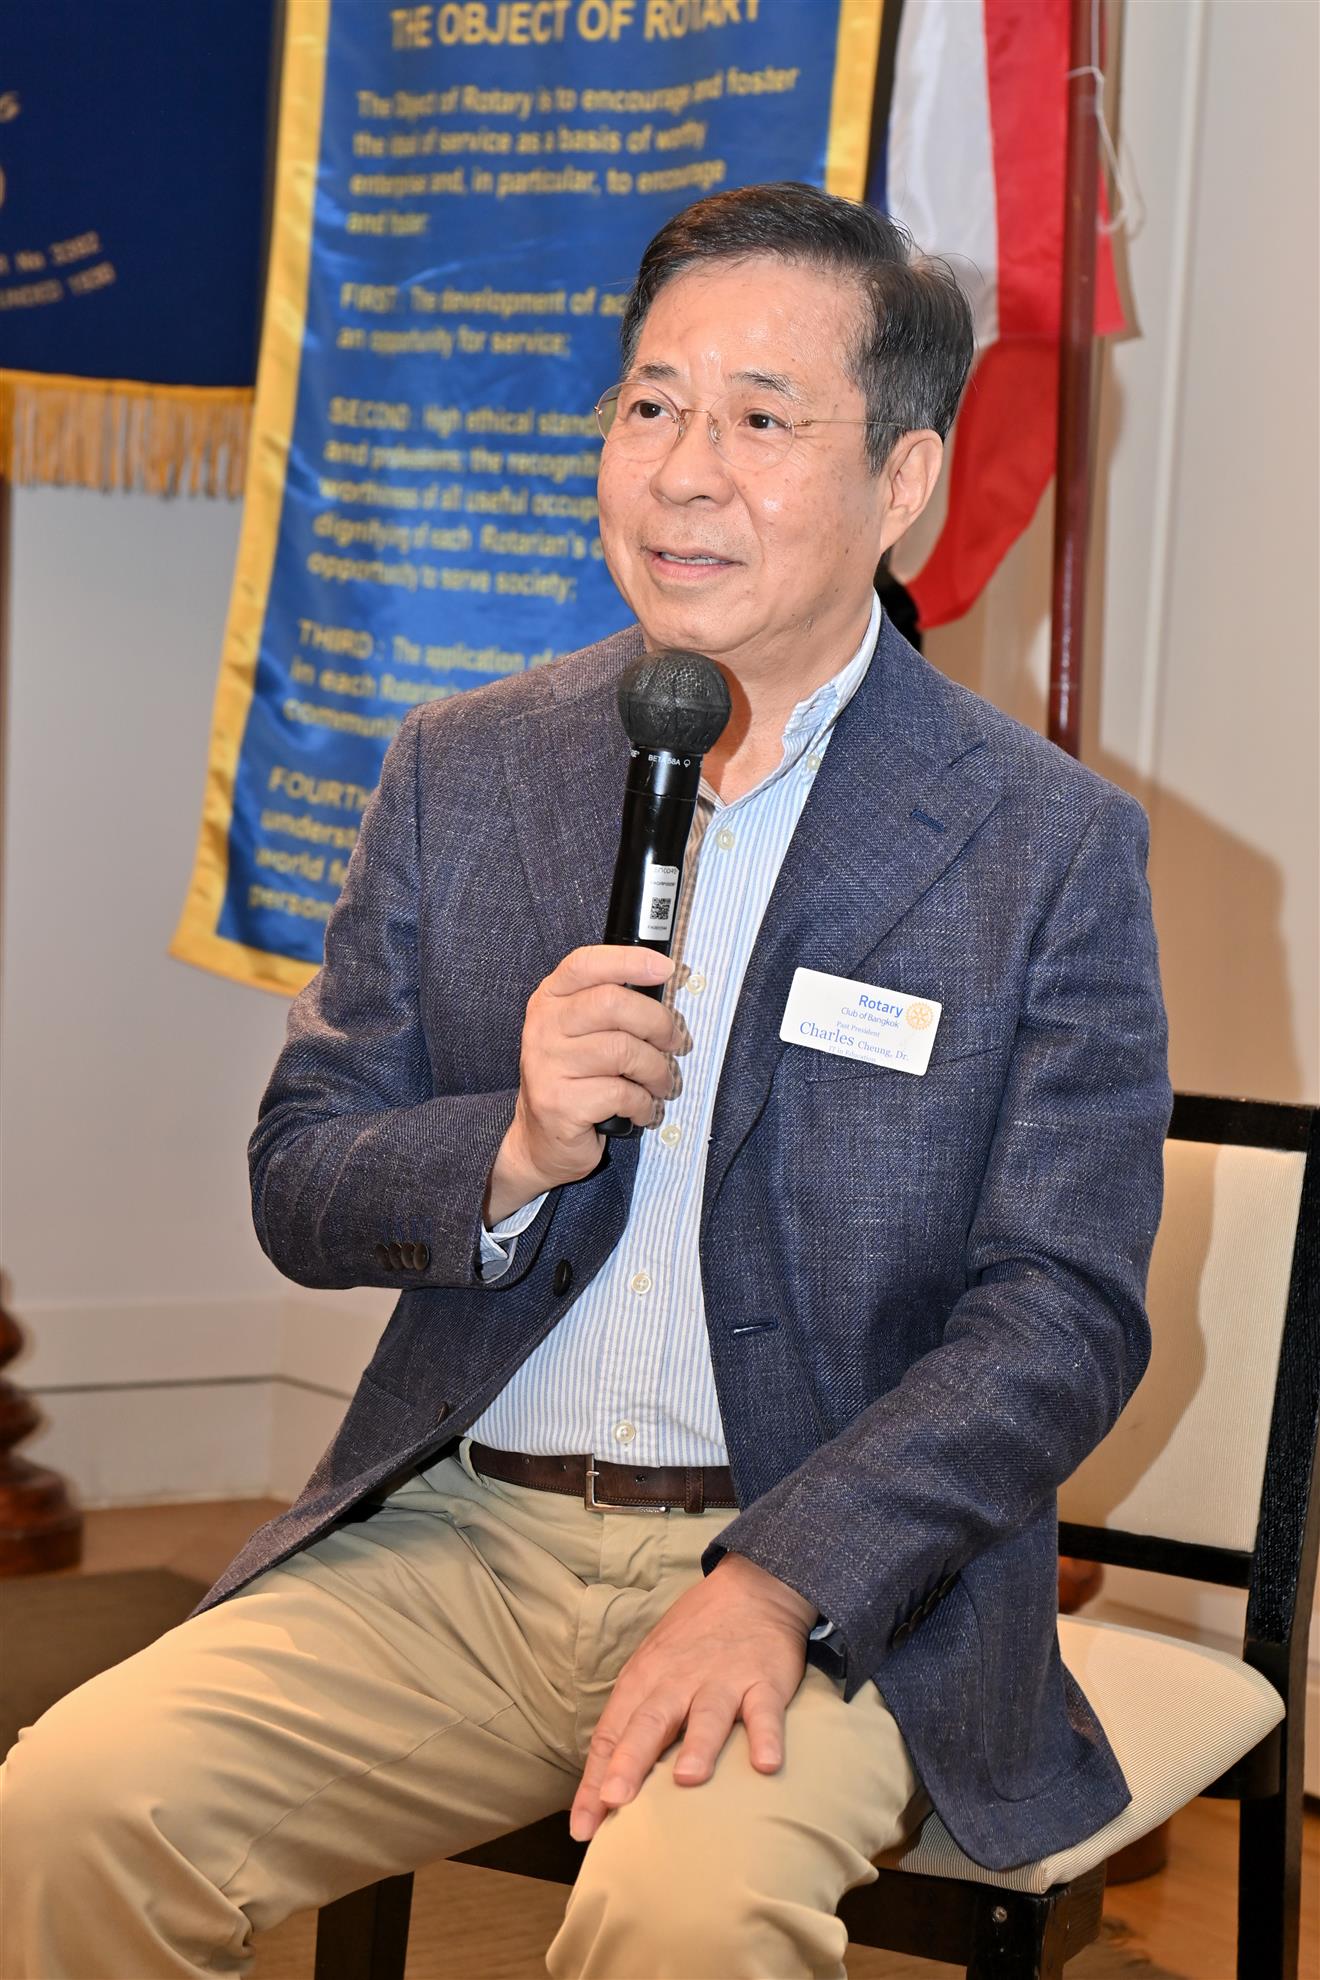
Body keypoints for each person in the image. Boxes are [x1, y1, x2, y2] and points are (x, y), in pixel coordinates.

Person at [1, 182, 1171, 1980]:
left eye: (762, 421)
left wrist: (779, 1581)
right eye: (651, 405)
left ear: (904, 482)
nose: (684, 474)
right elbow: (301, 1178)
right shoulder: (467, 768)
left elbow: (1062, 1315)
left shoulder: (1042, 845)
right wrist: (512, 1144)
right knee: (66, 1811)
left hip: (832, 1575)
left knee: (684, 1923)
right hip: (462, 1532)